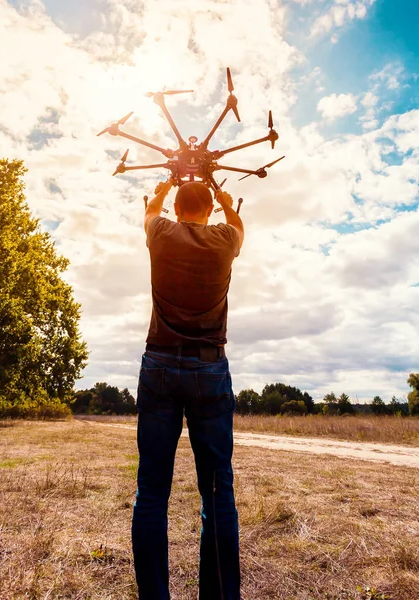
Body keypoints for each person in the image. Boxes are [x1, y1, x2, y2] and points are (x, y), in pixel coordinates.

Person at [131, 179, 244, 600]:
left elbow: (148, 215)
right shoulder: (224, 238)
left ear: (176, 208)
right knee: (217, 492)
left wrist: (161, 189)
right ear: (209, 210)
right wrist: (229, 204)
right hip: (209, 366)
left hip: (158, 362)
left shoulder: (160, 233)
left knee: (152, 491)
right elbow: (240, 228)